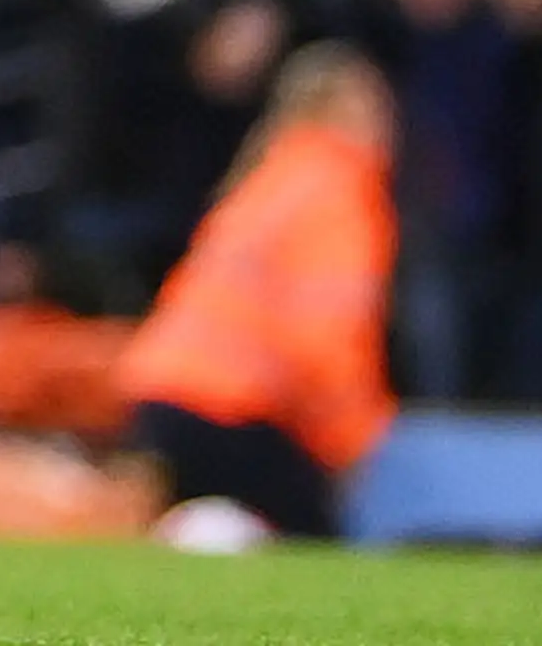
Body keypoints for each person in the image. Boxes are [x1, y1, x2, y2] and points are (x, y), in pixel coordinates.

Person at [114, 45, 400, 543]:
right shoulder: (337, 191)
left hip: (167, 393)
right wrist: (351, 443)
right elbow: (325, 335)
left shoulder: (266, 178)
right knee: (313, 551)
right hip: (235, 408)